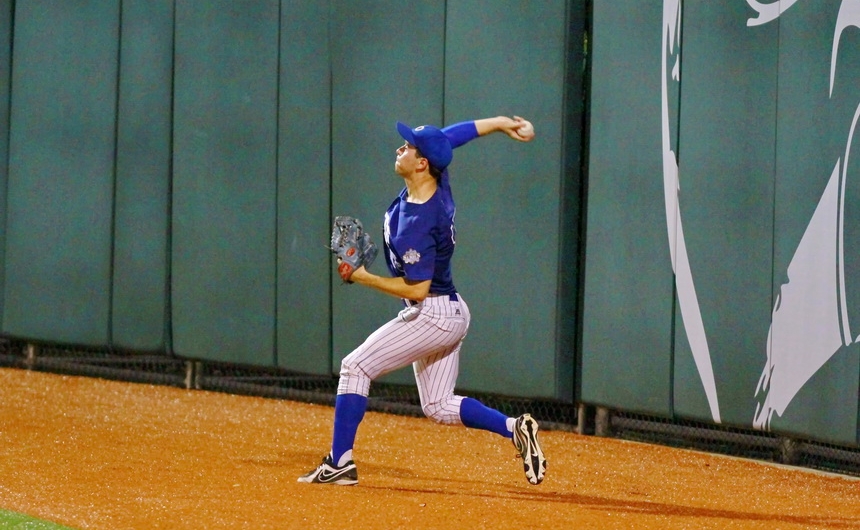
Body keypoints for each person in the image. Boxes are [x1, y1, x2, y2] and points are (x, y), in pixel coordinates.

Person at [298, 115, 547, 486]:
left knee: (355, 367)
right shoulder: (434, 178)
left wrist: (364, 277)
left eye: (408, 147)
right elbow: (451, 138)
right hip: (451, 309)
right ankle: (514, 428)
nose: (400, 148)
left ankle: (340, 463)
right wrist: (500, 123)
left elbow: (416, 289)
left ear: (421, 164)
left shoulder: (417, 222)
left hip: (432, 313)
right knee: (438, 405)